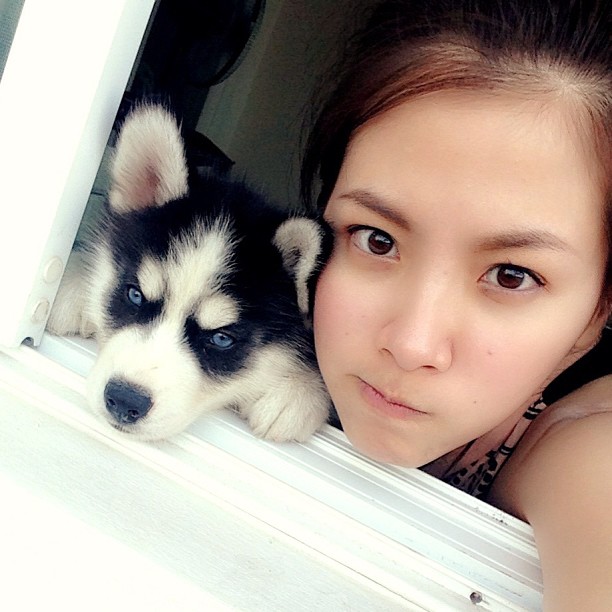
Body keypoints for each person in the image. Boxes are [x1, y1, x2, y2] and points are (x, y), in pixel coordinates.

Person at [301, 0, 612, 608]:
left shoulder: (585, 456)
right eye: (376, 239)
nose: (411, 344)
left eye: (512, 275)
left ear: (597, 313)